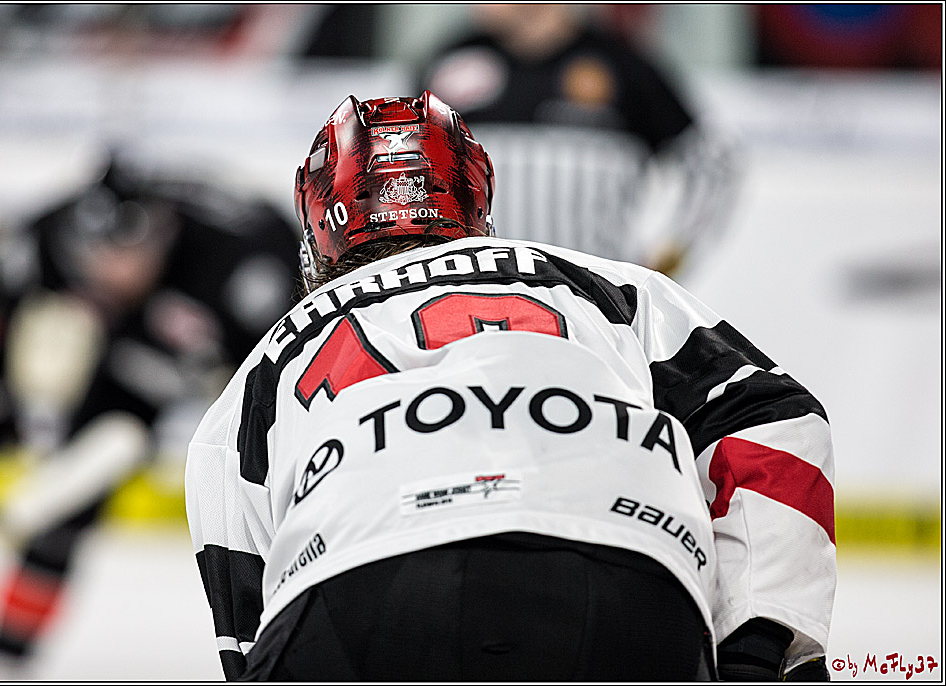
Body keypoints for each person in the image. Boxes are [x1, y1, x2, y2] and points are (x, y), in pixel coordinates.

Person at [185, 92, 834, 681]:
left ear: (318, 232)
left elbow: (241, 600)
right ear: (477, 208)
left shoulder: (270, 359)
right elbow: (773, 416)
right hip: (626, 570)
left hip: (363, 587)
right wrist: (762, 638)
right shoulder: (605, 286)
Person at [0, 151, 302, 661]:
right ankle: (5, 658)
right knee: (68, 498)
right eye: (94, 255)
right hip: (144, 349)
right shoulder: (56, 233)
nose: (109, 272)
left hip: (247, 349)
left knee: (269, 504)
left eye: (127, 256)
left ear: (163, 235)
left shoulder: (247, 261)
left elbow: (296, 361)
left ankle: (286, 647)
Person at [421, 4, 740, 277]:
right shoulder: (447, 63)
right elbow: (403, 167)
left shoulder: (624, 66)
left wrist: (668, 257)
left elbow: (710, 166)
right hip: (472, 297)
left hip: (592, 303)